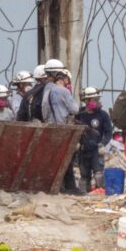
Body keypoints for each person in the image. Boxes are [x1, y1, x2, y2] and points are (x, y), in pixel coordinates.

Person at [40, 59, 80, 194]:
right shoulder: (63, 91)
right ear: (63, 78)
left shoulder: (47, 90)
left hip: (51, 127)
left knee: (54, 159)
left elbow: (44, 109)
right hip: (63, 128)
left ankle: (58, 186)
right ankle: (69, 187)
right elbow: (75, 110)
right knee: (67, 158)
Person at [76, 87, 113, 193]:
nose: (97, 102)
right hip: (83, 150)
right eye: (94, 99)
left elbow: (108, 132)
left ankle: (99, 194)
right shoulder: (80, 115)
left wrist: (102, 144)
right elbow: (75, 130)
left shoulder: (103, 115)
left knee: (98, 175)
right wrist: (76, 143)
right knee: (84, 177)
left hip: (96, 150)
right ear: (86, 101)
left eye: (97, 99)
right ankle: (84, 195)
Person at [41, 59, 78, 124]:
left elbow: (44, 107)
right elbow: (74, 110)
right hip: (61, 126)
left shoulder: (47, 88)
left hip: (48, 125)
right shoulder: (63, 90)